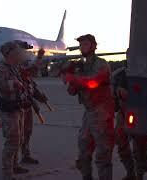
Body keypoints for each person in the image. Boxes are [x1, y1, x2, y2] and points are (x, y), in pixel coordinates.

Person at [63, 34, 115, 180]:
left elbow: (93, 83)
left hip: (102, 111)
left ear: (93, 46)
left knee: (103, 155)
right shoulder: (80, 66)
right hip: (89, 112)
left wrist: (73, 78)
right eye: (80, 45)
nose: (82, 47)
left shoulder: (101, 64)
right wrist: (68, 78)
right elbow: (71, 92)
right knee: (83, 152)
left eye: (85, 44)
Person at [0, 41, 30, 180]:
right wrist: (14, 83)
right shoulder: (0, 69)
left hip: (17, 108)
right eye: (16, 51)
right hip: (7, 110)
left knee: (19, 140)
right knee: (12, 142)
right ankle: (7, 173)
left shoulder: (14, 67)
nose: (19, 54)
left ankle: (15, 166)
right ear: (9, 53)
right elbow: (0, 86)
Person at [112, 64, 147, 180]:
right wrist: (117, 92)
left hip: (141, 115)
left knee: (140, 147)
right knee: (121, 144)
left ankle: (139, 174)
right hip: (123, 115)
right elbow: (112, 94)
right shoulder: (119, 74)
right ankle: (130, 173)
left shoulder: (146, 74)